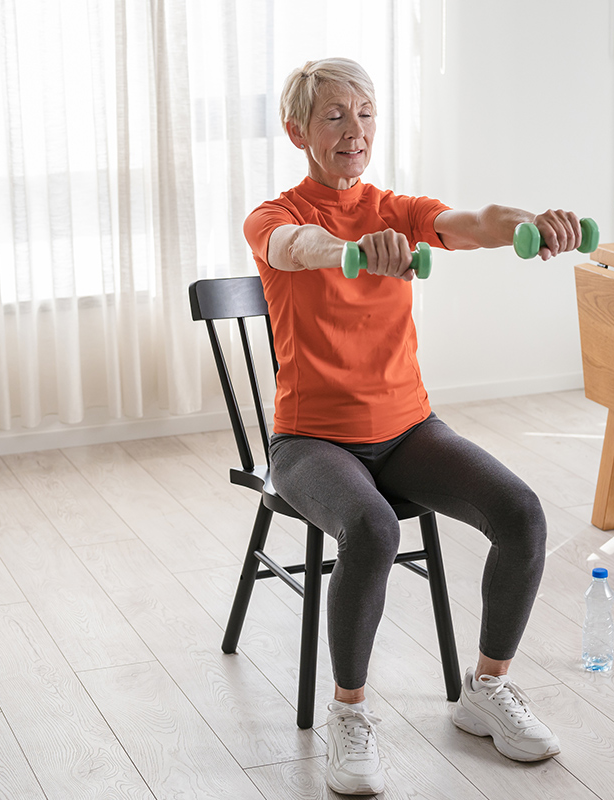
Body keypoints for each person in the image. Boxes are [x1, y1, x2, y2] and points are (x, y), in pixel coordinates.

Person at [243, 57, 576, 796]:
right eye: (334, 115)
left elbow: (475, 222)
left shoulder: (397, 208)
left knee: (520, 513)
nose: (354, 130)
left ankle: (487, 690)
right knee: (373, 529)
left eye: (364, 113)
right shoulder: (274, 215)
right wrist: (355, 253)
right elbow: (295, 249)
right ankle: (350, 714)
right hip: (309, 441)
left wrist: (533, 222)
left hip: (406, 430)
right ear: (298, 130)